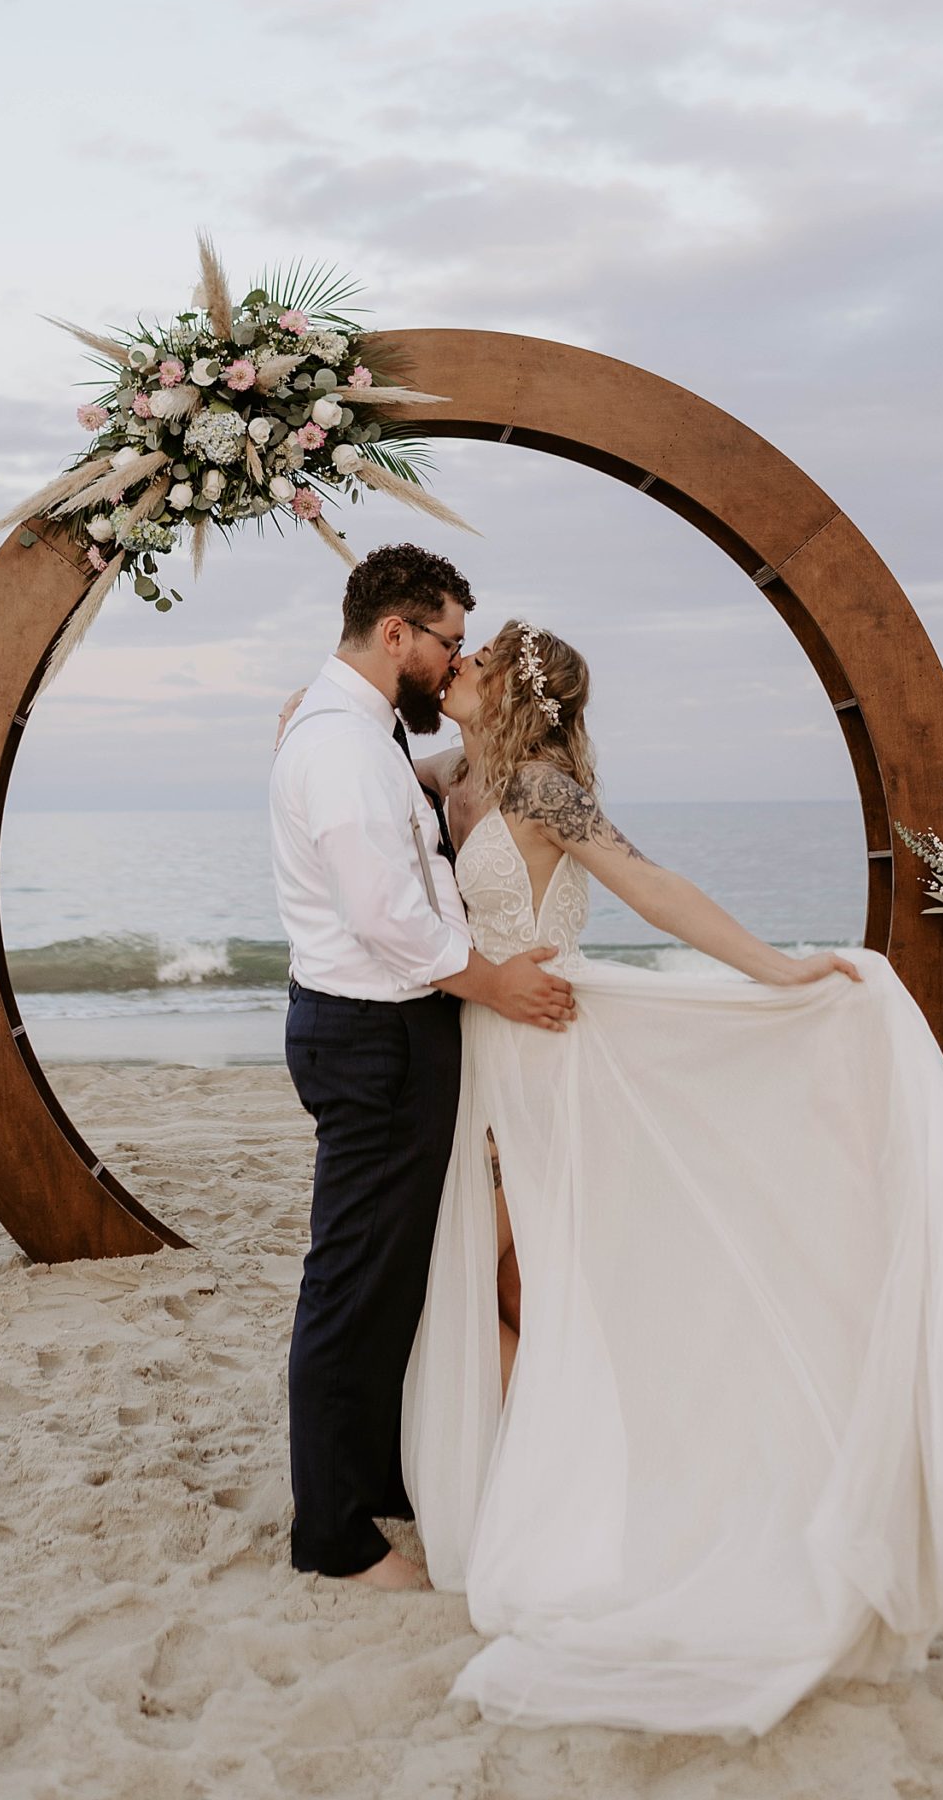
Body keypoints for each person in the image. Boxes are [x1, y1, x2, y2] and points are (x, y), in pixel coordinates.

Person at [397, 619, 943, 1737]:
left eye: (475, 661)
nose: (453, 668)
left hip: (557, 1052)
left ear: (515, 693)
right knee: (505, 1280)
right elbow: (376, 761)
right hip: (489, 1049)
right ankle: (534, 1487)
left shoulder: (548, 790)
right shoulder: (457, 775)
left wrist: (777, 970)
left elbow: (654, 888)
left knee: (534, 1278)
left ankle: (574, 1502)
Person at [269, 547, 576, 1593]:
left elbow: (427, 815)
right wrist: (492, 983)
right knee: (352, 1281)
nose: (451, 664)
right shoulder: (345, 749)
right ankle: (335, 1537)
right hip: (372, 1034)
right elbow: (386, 915)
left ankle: (379, 1480)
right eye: (445, 640)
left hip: (385, 1030)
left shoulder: (359, 736)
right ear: (393, 633)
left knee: (396, 1273)